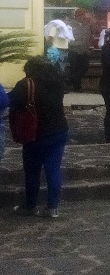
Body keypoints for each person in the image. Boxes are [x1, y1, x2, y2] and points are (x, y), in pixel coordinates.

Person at [10, 57, 69, 218]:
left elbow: (9, 100)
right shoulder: (58, 83)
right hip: (59, 130)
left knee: (32, 171)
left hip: (35, 133)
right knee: (53, 169)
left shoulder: (27, 84)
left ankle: (30, 205)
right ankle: (52, 207)